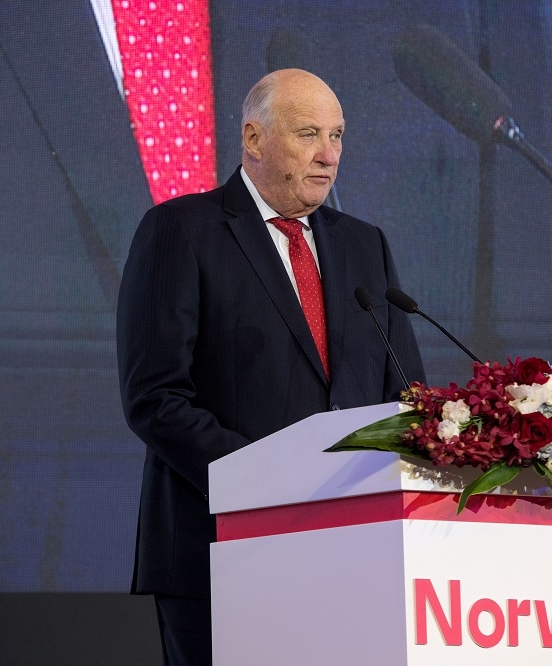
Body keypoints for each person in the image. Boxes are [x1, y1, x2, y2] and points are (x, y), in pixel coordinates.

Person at [115, 68, 426, 665]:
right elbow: (154, 398)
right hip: (222, 549)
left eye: (337, 136)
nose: (328, 155)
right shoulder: (181, 231)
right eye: (309, 133)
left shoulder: (365, 245)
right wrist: (267, 483)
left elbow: (404, 394)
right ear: (253, 139)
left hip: (352, 551)